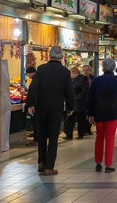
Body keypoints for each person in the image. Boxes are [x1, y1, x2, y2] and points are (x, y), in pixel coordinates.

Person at [27, 45, 74, 176]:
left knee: (42, 136)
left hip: (41, 107)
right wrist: (70, 107)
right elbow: (69, 92)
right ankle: (49, 167)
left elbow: (33, 88)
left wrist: (30, 104)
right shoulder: (65, 72)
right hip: (56, 109)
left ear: (49, 55)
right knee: (53, 137)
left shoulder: (41, 69)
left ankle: (41, 161)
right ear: (62, 56)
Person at [87, 59, 117, 173]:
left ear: (103, 68)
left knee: (99, 137)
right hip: (113, 113)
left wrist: (90, 114)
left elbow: (90, 98)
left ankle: (98, 162)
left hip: (99, 113)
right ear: (114, 67)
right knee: (110, 138)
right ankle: (108, 164)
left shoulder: (97, 80)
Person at [64, 67, 89, 140]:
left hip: (80, 102)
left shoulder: (82, 79)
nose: (70, 75)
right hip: (72, 102)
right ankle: (69, 135)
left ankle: (81, 134)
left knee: (80, 119)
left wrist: (78, 97)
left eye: (71, 73)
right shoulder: (71, 80)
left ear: (75, 73)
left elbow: (84, 90)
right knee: (69, 119)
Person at [24, 66, 38, 147]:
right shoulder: (37, 79)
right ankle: (37, 138)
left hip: (34, 106)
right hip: (37, 105)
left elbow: (32, 94)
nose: (27, 75)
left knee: (36, 123)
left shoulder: (35, 80)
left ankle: (36, 139)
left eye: (28, 74)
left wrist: (30, 105)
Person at [81, 65, 95, 135]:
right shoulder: (81, 78)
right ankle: (84, 130)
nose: (85, 72)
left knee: (90, 114)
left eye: (86, 70)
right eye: (83, 70)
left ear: (89, 71)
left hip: (91, 98)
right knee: (83, 115)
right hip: (83, 98)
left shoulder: (93, 78)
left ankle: (88, 129)